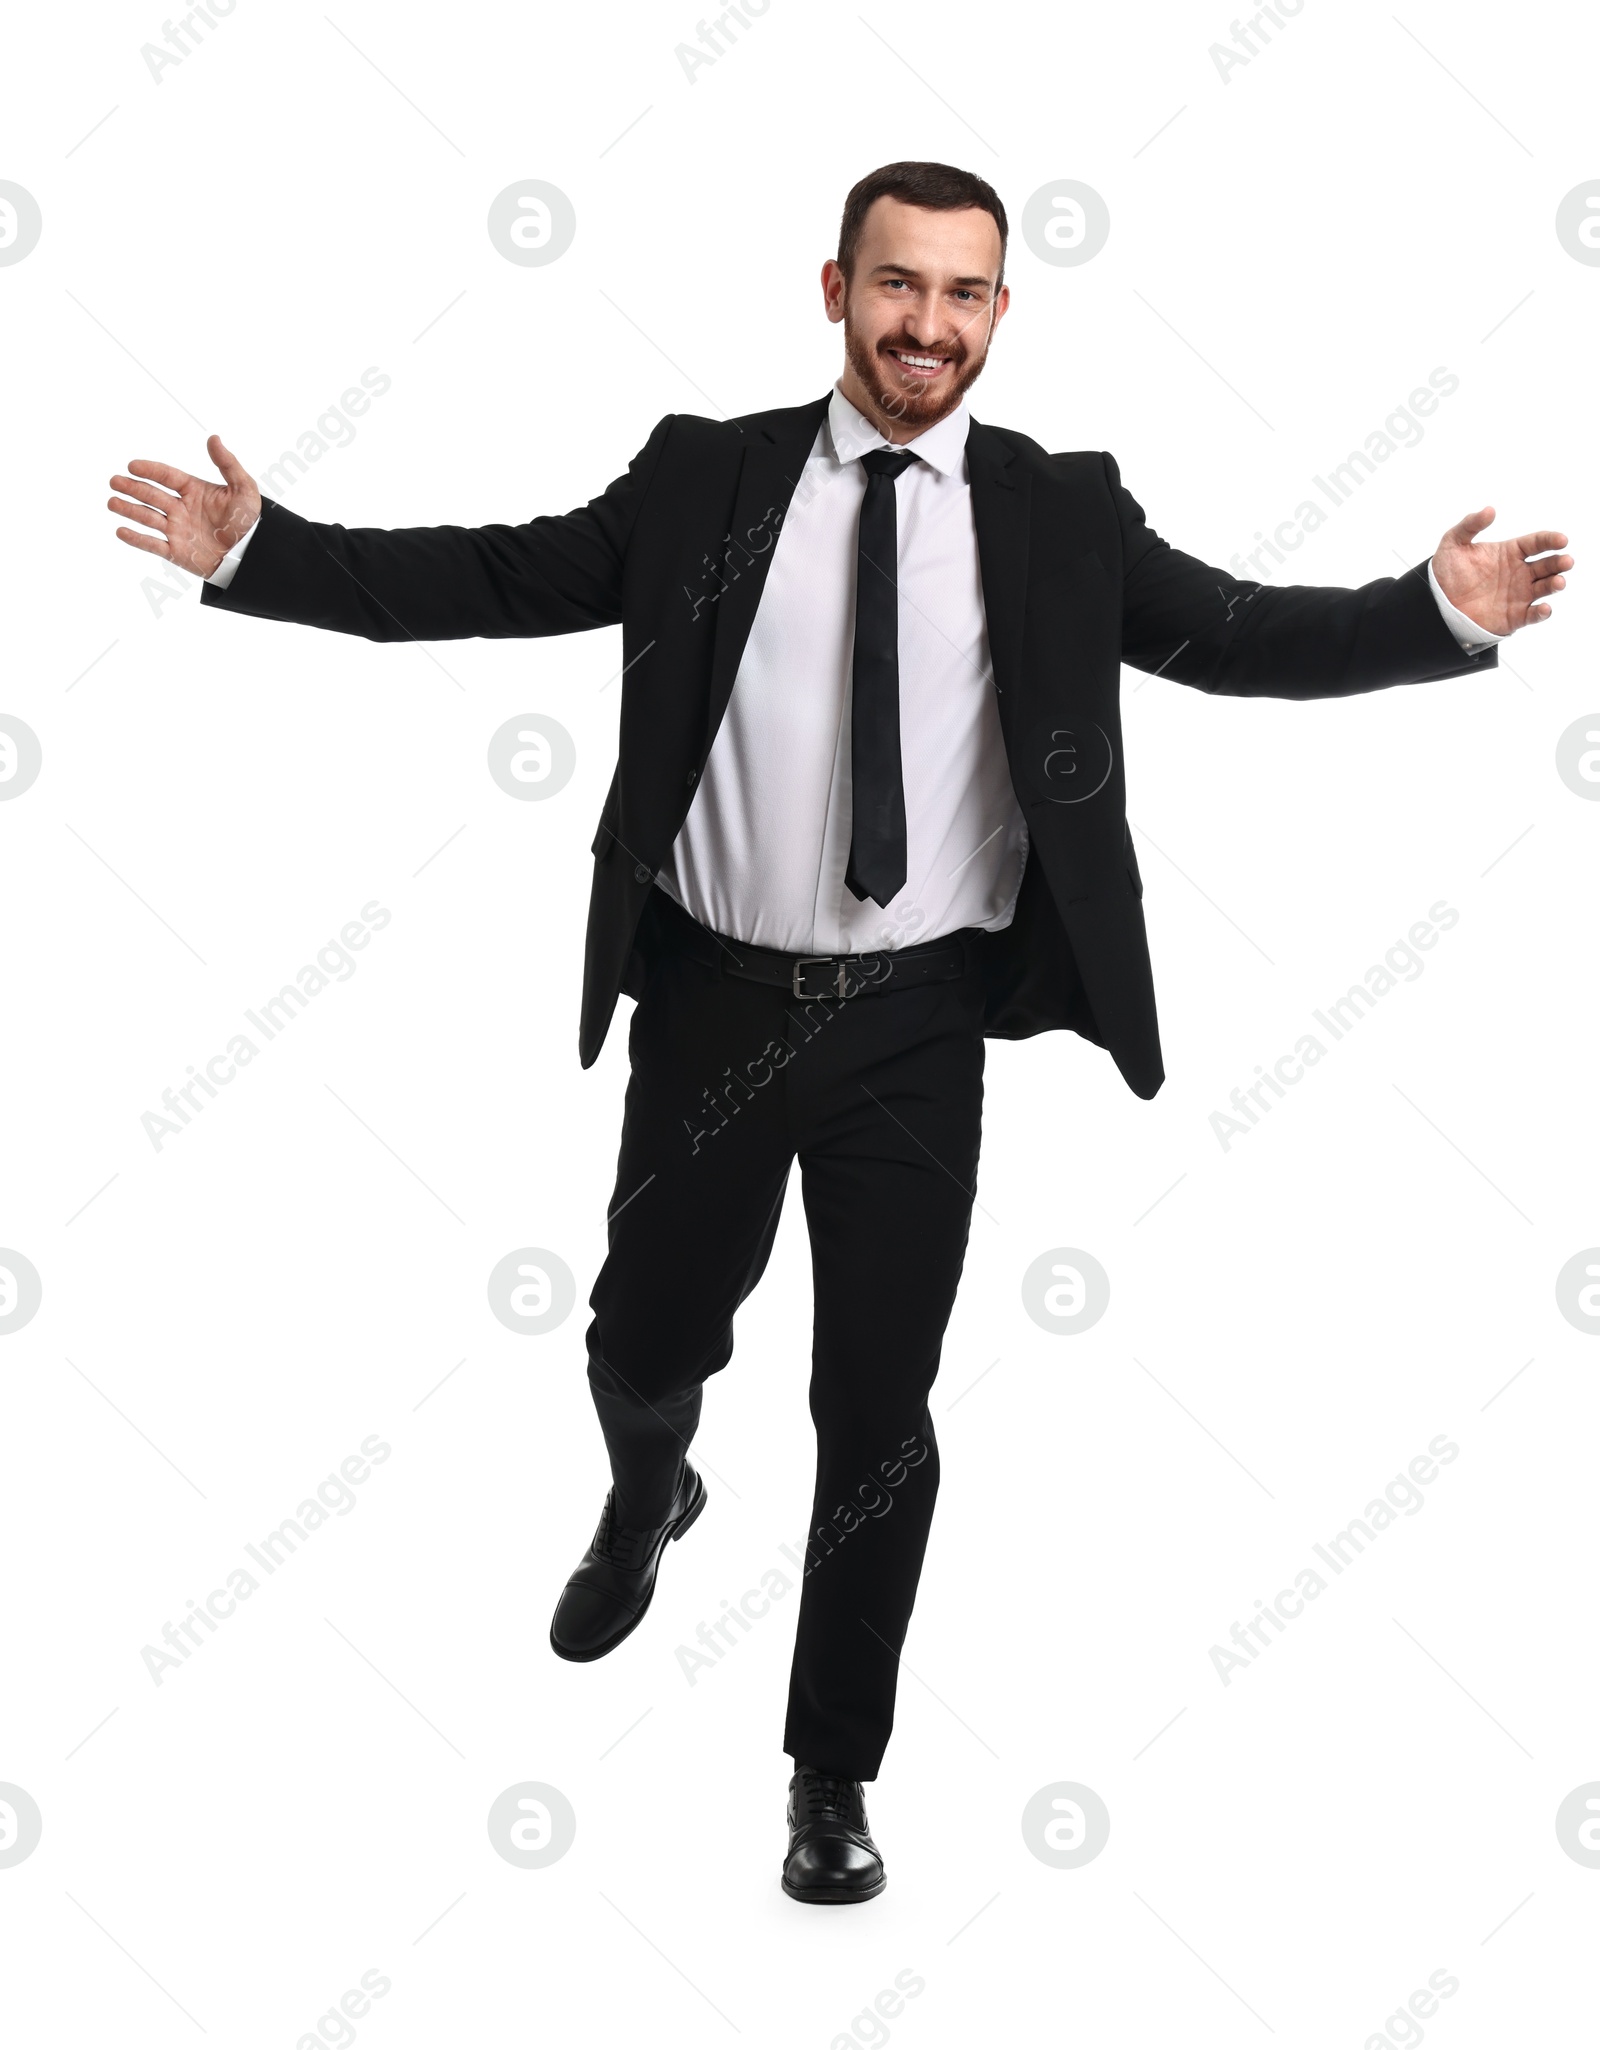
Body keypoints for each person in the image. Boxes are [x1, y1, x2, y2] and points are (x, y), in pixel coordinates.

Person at [106, 159, 1572, 1907]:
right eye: (897, 288)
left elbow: (1241, 636)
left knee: (878, 1410)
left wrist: (1431, 616)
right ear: (834, 290)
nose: (926, 326)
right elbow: (489, 578)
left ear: (1002, 314)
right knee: (640, 1337)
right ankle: (652, 1487)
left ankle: (828, 1771)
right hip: (716, 998)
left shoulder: (1060, 512)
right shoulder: (706, 474)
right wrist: (260, 553)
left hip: (916, 1026)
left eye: (963, 295)